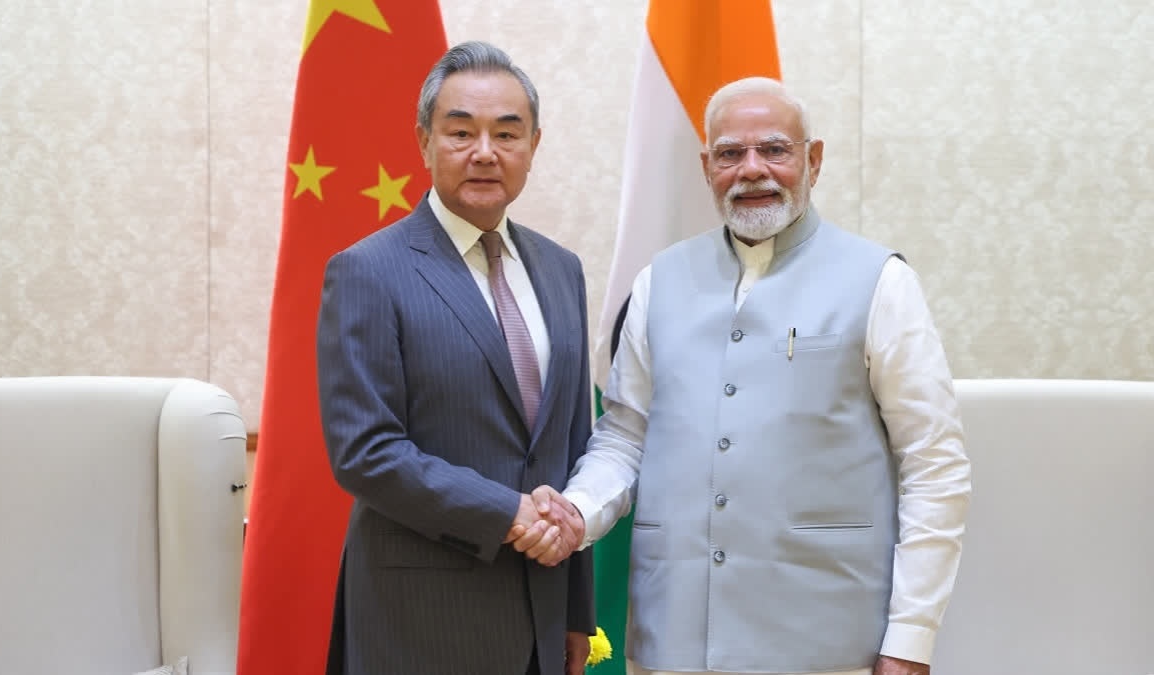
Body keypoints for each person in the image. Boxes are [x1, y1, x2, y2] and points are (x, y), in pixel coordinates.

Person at [518, 76, 972, 675]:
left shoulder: (881, 280)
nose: (752, 169)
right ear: (707, 167)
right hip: (671, 641)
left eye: (775, 150)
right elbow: (626, 436)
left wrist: (910, 639)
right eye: (731, 153)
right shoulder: (659, 281)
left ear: (813, 159)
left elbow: (934, 462)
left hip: (829, 646)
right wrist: (579, 510)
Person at [316, 41, 594, 675]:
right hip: (422, 619)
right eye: (461, 131)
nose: (485, 152)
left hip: (543, 617)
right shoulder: (368, 271)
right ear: (424, 141)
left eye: (506, 133)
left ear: (534, 145)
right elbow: (366, 451)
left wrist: (578, 609)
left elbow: (570, 444)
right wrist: (507, 513)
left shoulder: (561, 270)